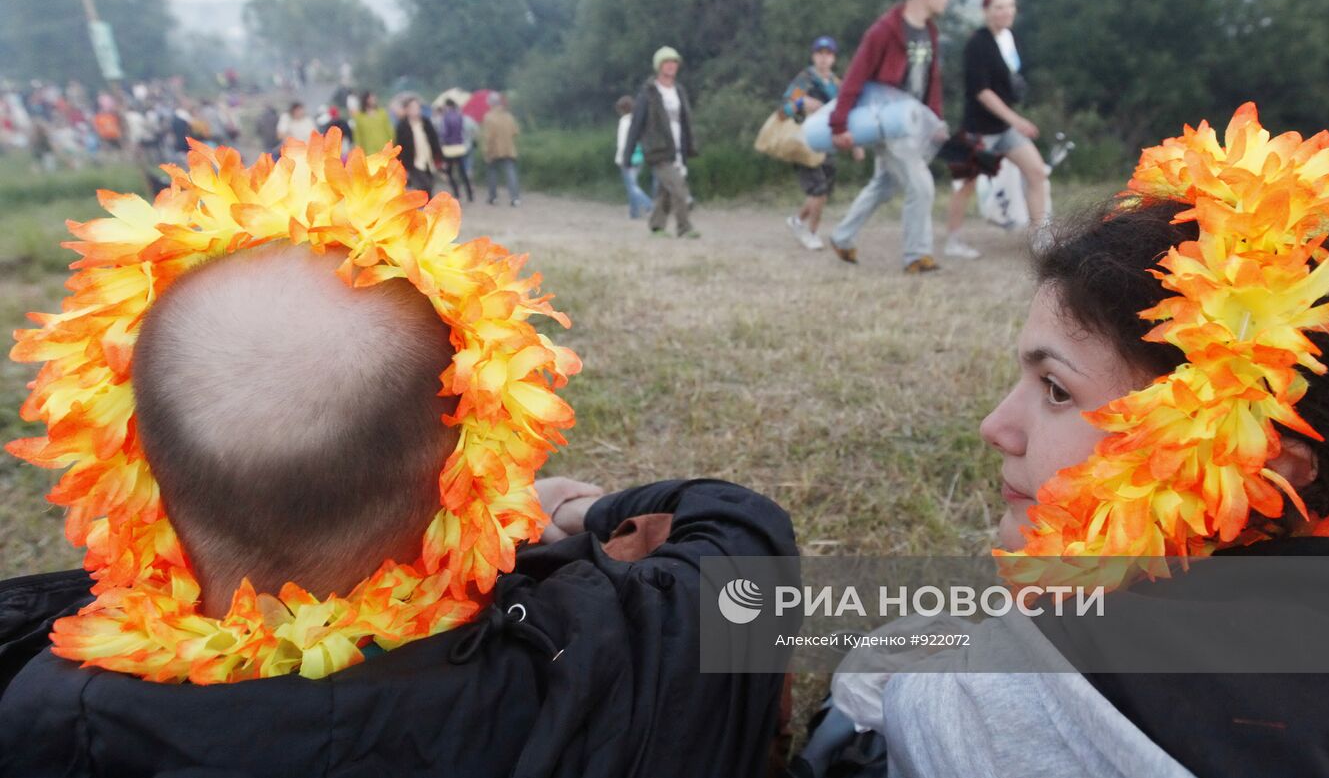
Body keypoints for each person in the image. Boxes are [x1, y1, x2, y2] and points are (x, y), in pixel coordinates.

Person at [0, 144, 797, 776]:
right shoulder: (602, 660)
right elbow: (744, 536)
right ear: (465, 484)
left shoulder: (36, 700)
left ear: (136, 468)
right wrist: (551, 517)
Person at [830, 105, 1329, 777]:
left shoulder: (986, 708)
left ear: (1256, 463)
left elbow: (886, 691)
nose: (995, 427)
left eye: (1057, 390)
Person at [827, 0, 950, 274]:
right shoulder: (883, 32)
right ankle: (915, 256)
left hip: (914, 123)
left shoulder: (930, 32)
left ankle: (842, 236)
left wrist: (934, 120)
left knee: (884, 184)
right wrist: (839, 124)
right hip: (888, 122)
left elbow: (932, 79)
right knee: (921, 185)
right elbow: (855, 78)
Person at [942, 0, 1050, 260]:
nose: (1006, 12)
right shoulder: (977, 44)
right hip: (979, 130)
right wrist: (1017, 120)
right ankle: (953, 241)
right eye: (999, 7)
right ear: (986, 11)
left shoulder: (1007, 38)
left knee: (1036, 171)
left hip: (1003, 130)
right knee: (965, 185)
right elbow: (982, 92)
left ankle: (1040, 237)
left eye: (1010, 6)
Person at [781, 36, 863, 251]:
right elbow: (786, 107)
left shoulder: (837, 84)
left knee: (823, 191)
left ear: (834, 58)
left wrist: (856, 144)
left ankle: (797, 221)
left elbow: (846, 114)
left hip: (828, 143)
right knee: (818, 190)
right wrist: (803, 102)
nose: (824, 59)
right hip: (805, 141)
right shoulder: (805, 80)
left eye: (828, 54)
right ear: (813, 56)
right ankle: (810, 233)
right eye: (820, 54)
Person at [622, 46, 700, 239]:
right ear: (659, 66)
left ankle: (656, 226)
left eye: (674, 62)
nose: (671, 66)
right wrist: (627, 155)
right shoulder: (647, 94)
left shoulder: (679, 91)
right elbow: (636, 126)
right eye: (667, 62)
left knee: (666, 191)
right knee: (679, 188)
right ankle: (684, 227)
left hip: (678, 149)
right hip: (658, 150)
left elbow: (685, 121)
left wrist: (690, 145)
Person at [394, 95, 444, 194]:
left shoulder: (426, 122)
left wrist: (440, 157)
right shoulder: (403, 127)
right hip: (414, 162)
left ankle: (428, 207)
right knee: (423, 187)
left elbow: (434, 141)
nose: (416, 110)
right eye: (412, 108)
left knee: (430, 186)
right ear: (407, 110)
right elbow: (399, 147)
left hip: (428, 160)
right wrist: (402, 167)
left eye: (417, 107)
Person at [614, 95, 653, 219]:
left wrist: (621, 158)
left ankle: (649, 204)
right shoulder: (637, 121)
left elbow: (622, 142)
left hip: (627, 158)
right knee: (633, 185)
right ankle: (634, 213)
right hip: (638, 157)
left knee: (632, 186)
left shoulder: (624, 122)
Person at [480, 92, 522, 207]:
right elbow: (516, 132)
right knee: (511, 173)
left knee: (492, 173)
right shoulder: (508, 116)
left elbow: (488, 137)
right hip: (509, 149)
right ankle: (515, 198)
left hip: (494, 150)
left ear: (491, 104)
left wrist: (486, 151)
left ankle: (493, 198)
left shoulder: (488, 117)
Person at [438, 97, 474, 203]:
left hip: (449, 148)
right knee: (463, 172)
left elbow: (443, 133)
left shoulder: (445, 117)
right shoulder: (460, 116)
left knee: (449, 172)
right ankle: (470, 194)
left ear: (447, 106)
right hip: (459, 147)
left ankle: (456, 192)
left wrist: (442, 142)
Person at [352, 90, 395, 156]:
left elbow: (389, 131)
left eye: (374, 97)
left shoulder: (382, 113)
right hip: (368, 152)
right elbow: (358, 136)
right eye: (371, 98)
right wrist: (359, 152)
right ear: (365, 99)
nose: (373, 99)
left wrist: (392, 145)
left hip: (384, 150)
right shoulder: (360, 117)